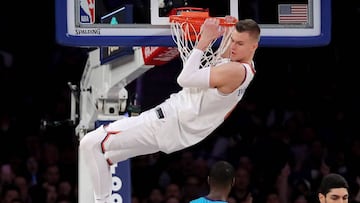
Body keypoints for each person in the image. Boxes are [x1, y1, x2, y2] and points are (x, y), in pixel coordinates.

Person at [79, 17, 261, 203]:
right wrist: (227, 30)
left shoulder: (236, 71)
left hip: (166, 121)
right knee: (106, 156)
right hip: (175, 133)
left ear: (253, 46)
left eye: (240, 43)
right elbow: (222, 58)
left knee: (89, 143)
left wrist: (205, 40)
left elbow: (184, 79)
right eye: (232, 40)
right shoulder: (246, 70)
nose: (233, 46)